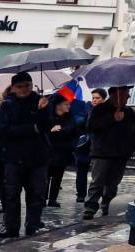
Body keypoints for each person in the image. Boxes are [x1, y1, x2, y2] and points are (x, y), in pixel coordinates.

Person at [0, 72, 56, 238]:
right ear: (13, 88)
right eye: (19, 86)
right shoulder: (7, 105)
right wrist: (31, 129)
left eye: (27, 86)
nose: (23, 89)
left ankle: (33, 225)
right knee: (11, 193)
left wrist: (42, 111)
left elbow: (47, 126)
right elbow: (2, 130)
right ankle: (11, 227)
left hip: (37, 156)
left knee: (36, 193)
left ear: (31, 85)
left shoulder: (41, 102)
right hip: (13, 157)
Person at [85, 87, 133, 219]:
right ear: (115, 95)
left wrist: (129, 149)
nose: (127, 97)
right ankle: (90, 208)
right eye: (125, 94)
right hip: (103, 153)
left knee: (113, 184)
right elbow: (91, 126)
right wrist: (112, 118)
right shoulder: (100, 109)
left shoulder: (128, 111)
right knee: (97, 182)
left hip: (121, 154)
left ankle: (107, 206)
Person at [45, 96, 82, 207]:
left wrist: (61, 129)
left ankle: (53, 199)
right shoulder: (49, 117)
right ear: (58, 105)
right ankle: (42, 198)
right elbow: (44, 132)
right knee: (46, 176)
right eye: (66, 104)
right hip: (49, 151)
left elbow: (74, 132)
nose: (69, 106)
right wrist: (51, 131)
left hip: (63, 151)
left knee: (58, 176)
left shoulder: (69, 118)